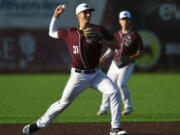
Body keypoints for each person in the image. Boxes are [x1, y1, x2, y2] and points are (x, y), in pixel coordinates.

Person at [22, 3, 127, 135]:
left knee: (114, 92)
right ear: (78, 16)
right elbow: (52, 32)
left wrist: (102, 41)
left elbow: (116, 45)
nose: (88, 14)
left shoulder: (99, 30)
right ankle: (39, 124)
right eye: (85, 12)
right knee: (63, 104)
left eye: (90, 12)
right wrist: (56, 16)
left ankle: (115, 128)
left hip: (96, 74)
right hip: (78, 76)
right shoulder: (70, 32)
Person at [97, 11, 144, 116]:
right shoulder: (116, 35)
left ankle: (128, 107)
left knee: (121, 84)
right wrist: (104, 57)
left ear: (130, 21)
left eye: (127, 19)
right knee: (107, 84)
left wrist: (129, 58)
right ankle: (104, 108)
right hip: (115, 63)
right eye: (123, 19)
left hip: (128, 64)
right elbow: (111, 49)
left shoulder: (135, 36)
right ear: (119, 21)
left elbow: (140, 52)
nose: (125, 21)